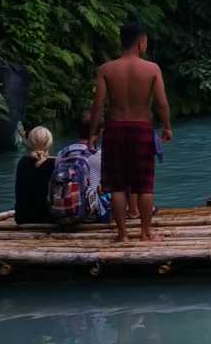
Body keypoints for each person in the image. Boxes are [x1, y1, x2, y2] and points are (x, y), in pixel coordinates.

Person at [89, 19, 173, 242]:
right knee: (144, 185)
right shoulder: (152, 69)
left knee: (117, 186)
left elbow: (98, 105)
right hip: (141, 129)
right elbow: (162, 103)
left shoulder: (105, 69)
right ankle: (146, 234)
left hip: (114, 130)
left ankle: (122, 235)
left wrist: (93, 133)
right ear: (142, 44)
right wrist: (166, 126)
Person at [49, 111, 111, 224]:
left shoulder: (61, 154)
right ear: (99, 132)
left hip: (61, 214)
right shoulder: (100, 155)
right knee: (119, 193)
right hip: (91, 215)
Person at [14, 125, 55, 224]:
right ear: (50, 144)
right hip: (48, 219)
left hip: (22, 218)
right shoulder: (55, 164)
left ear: (30, 143)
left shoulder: (22, 162)